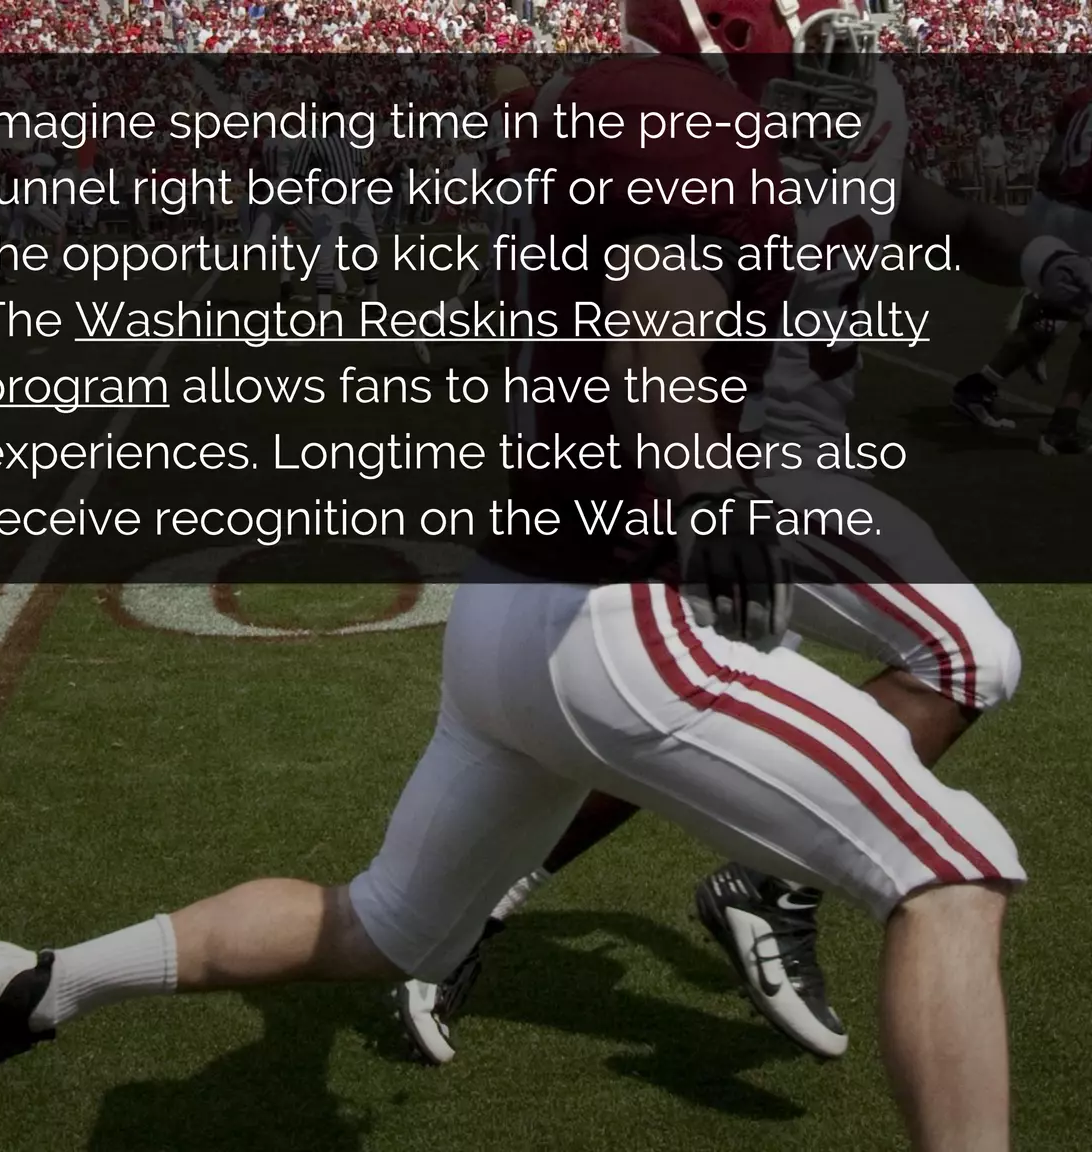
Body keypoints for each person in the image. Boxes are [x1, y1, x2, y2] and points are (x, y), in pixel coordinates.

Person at [0, 29, 1029, 1152]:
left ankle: (50, 982)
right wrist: (706, 485)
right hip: (613, 614)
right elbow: (651, 335)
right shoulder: (680, 129)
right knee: (952, 866)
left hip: (504, 611)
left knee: (382, 925)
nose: (807, 74)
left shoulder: (607, 115)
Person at [399, 0, 1092, 1068]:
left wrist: (1040, 250)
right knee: (968, 653)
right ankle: (772, 882)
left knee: (682, 710)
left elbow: (927, 208)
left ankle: (461, 912)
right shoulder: (683, 114)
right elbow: (651, 320)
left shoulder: (833, 95)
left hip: (735, 452)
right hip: (739, 453)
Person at [955, 81, 1092, 454]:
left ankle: (981, 387)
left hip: (1058, 207)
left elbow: (1050, 166)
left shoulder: (1081, 97)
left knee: (1052, 315)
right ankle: (1062, 425)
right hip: (1085, 216)